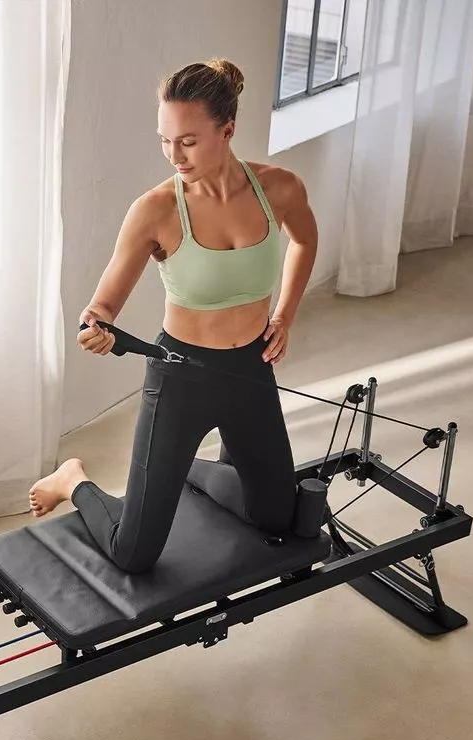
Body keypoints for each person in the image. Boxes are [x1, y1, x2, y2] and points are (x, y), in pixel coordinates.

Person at [29, 58, 319, 574]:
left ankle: (186, 472)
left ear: (227, 129)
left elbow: (304, 238)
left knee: (275, 517)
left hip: (250, 370)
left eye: (187, 140)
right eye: (165, 140)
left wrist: (285, 314)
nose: (173, 154)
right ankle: (73, 479)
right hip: (179, 376)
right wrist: (94, 328)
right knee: (132, 554)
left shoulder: (278, 188)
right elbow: (101, 308)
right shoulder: (157, 210)